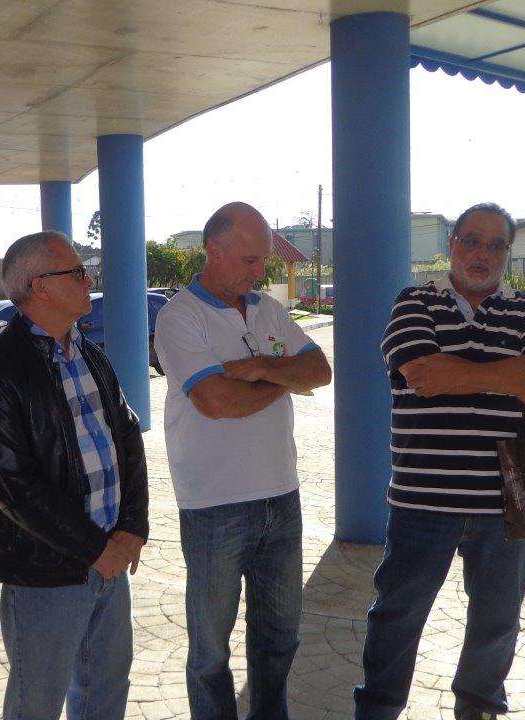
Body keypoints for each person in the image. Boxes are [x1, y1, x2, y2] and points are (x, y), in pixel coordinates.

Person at [355, 202, 525, 720]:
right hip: (423, 500)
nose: (482, 253)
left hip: (509, 502)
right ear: (451, 245)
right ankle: (378, 710)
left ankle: (479, 709)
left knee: (497, 621)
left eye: (495, 244)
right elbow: (421, 374)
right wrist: (511, 377)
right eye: (471, 240)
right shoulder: (415, 302)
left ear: (507, 253)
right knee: (397, 616)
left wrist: (460, 373)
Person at [154, 201, 332, 720]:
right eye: (250, 260)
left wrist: (258, 368)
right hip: (215, 505)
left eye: (263, 261)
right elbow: (216, 402)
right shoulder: (179, 316)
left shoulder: (268, 309)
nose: (259, 271)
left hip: (282, 496)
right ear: (215, 250)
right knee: (211, 651)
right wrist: (284, 377)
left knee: (279, 638)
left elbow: (320, 370)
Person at [0, 231, 149, 720]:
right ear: (40, 286)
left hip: (112, 558)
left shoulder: (89, 354)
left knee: (105, 691)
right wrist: (95, 548)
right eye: (78, 272)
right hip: (46, 571)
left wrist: (132, 527)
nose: (89, 280)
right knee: (36, 705)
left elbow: (127, 437)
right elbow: (11, 484)